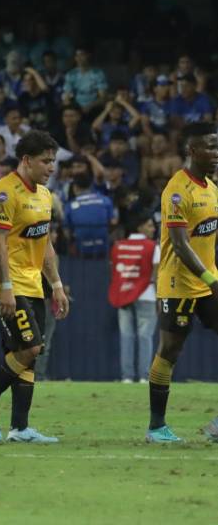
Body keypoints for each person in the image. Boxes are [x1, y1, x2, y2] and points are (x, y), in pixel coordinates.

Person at [0, 130, 69, 444]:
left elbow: (46, 244)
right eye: (45, 161)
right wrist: (6, 287)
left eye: (53, 161)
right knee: (31, 348)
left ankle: (20, 427)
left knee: (24, 354)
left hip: (32, 283)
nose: (51, 167)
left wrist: (56, 284)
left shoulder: (44, 195)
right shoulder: (4, 193)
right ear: (26, 160)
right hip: (4, 284)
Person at [147, 122, 218, 443]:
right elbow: (179, 243)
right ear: (192, 151)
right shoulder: (177, 190)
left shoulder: (211, 187)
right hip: (178, 284)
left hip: (208, 281)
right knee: (170, 351)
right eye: (209, 147)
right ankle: (157, 426)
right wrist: (209, 278)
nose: (216, 154)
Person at [108, 214, 158, 384]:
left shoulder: (118, 246)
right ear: (140, 227)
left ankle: (127, 377)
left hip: (123, 294)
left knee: (126, 336)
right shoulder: (152, 247)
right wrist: (160, 297)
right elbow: (157, 274)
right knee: (145, 336)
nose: (153, 229)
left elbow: (114, 271)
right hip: (147, 294)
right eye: (150, 225)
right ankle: (144, 377)